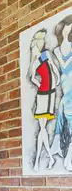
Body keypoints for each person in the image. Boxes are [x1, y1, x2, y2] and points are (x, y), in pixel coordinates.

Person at [28, 29, 60, 171]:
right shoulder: (35, 63)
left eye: (36, 46)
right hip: (43, 95)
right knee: (42, 128)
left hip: (50, 94)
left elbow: (53, 68)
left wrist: (57, 78)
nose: (35, 50)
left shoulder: (45, 54)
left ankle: (41, 161)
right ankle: (48, 159)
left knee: (43, 129)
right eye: (34, 48)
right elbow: (32, 78)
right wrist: (39, 84)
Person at [52, 15, 72, 171]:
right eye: (66, 27)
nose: (68, 30)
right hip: (66, 82)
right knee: (64, 111)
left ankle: (68, 156)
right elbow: (64, 64)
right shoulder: (57, 50)